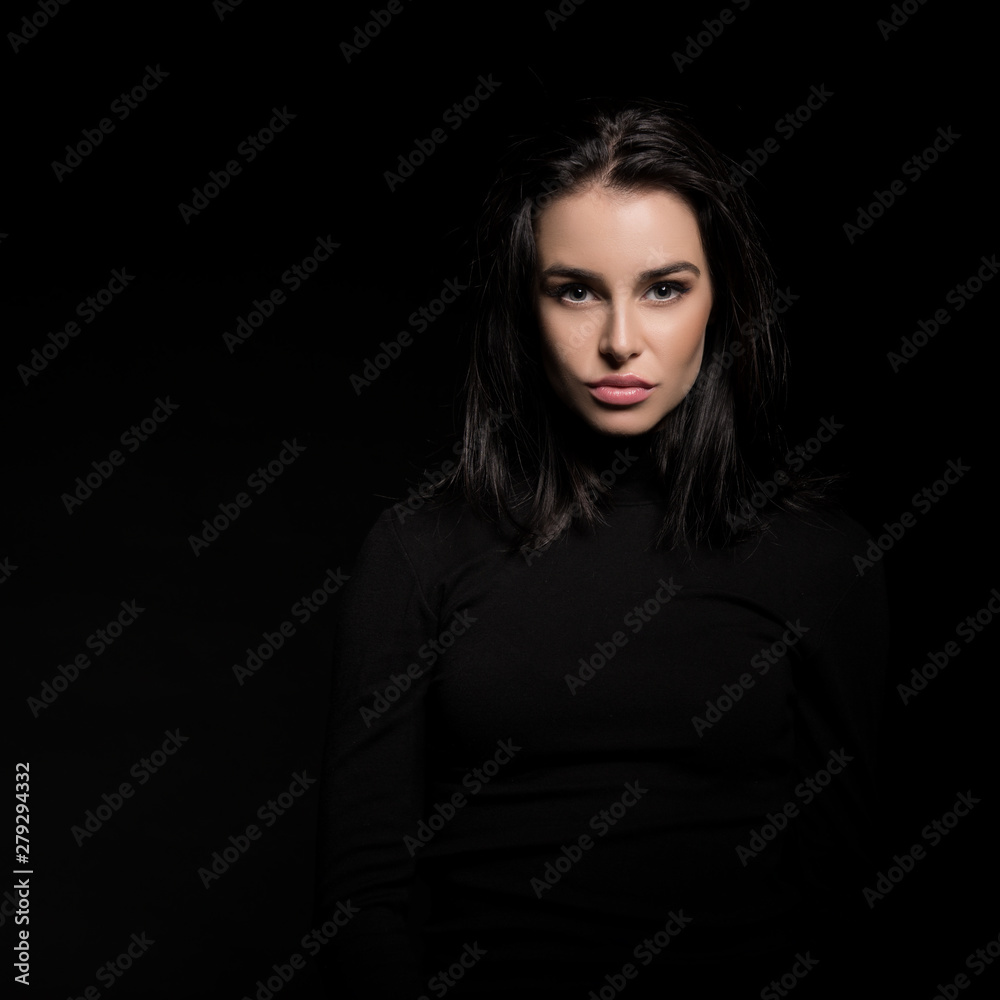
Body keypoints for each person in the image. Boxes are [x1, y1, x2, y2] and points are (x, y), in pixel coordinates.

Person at [313, 98, 889, 998]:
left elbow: (847, 889)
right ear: (523, 303)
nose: (621, 342)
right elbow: (362, 896)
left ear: (721, 298)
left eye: (665, 288)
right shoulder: (418, 552)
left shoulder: (817, 557)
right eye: (576, 289)